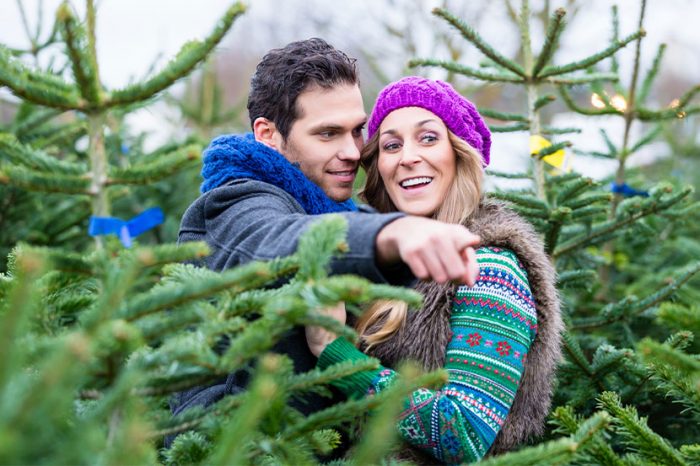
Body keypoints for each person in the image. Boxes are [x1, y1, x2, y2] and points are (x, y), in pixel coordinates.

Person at [172, 40, 483, 441]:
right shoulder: (234, 204)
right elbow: (274, 240)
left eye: (357, 131)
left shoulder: (330, 208)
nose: (353, 152)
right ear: (268, 134)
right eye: (328, 134)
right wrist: (392, 231)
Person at [308, 76, 563, 464]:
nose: (408, 156)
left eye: (428, 138)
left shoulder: (488, 267)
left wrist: (336, 355)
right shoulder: (384, 264)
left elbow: (464, 434)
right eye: (392, 145)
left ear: (459, 154)